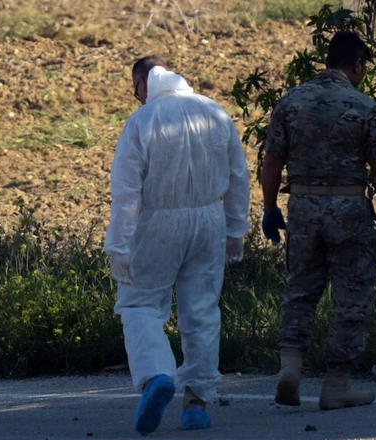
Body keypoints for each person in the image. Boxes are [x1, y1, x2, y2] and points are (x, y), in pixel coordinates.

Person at [259, 31, 376, 411]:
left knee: (300, 290)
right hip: (348, 210)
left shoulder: (291, 102)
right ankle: (337, 384)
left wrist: (270, 207)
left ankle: (290, 369)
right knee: (351, 295)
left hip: (303, 209)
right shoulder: (364, 106)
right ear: (356, 65)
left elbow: (272, 161)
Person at [105, 56, 252, 435]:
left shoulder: (142, 121)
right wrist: (235, 229)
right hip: (209, 222)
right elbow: (238, 175)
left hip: (156, 223)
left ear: (142, 83)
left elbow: (126, 193)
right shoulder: (215, 112)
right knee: (201, 311)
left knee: (140, 304)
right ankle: (196, 403)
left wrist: (118, 246)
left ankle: (156, 375)